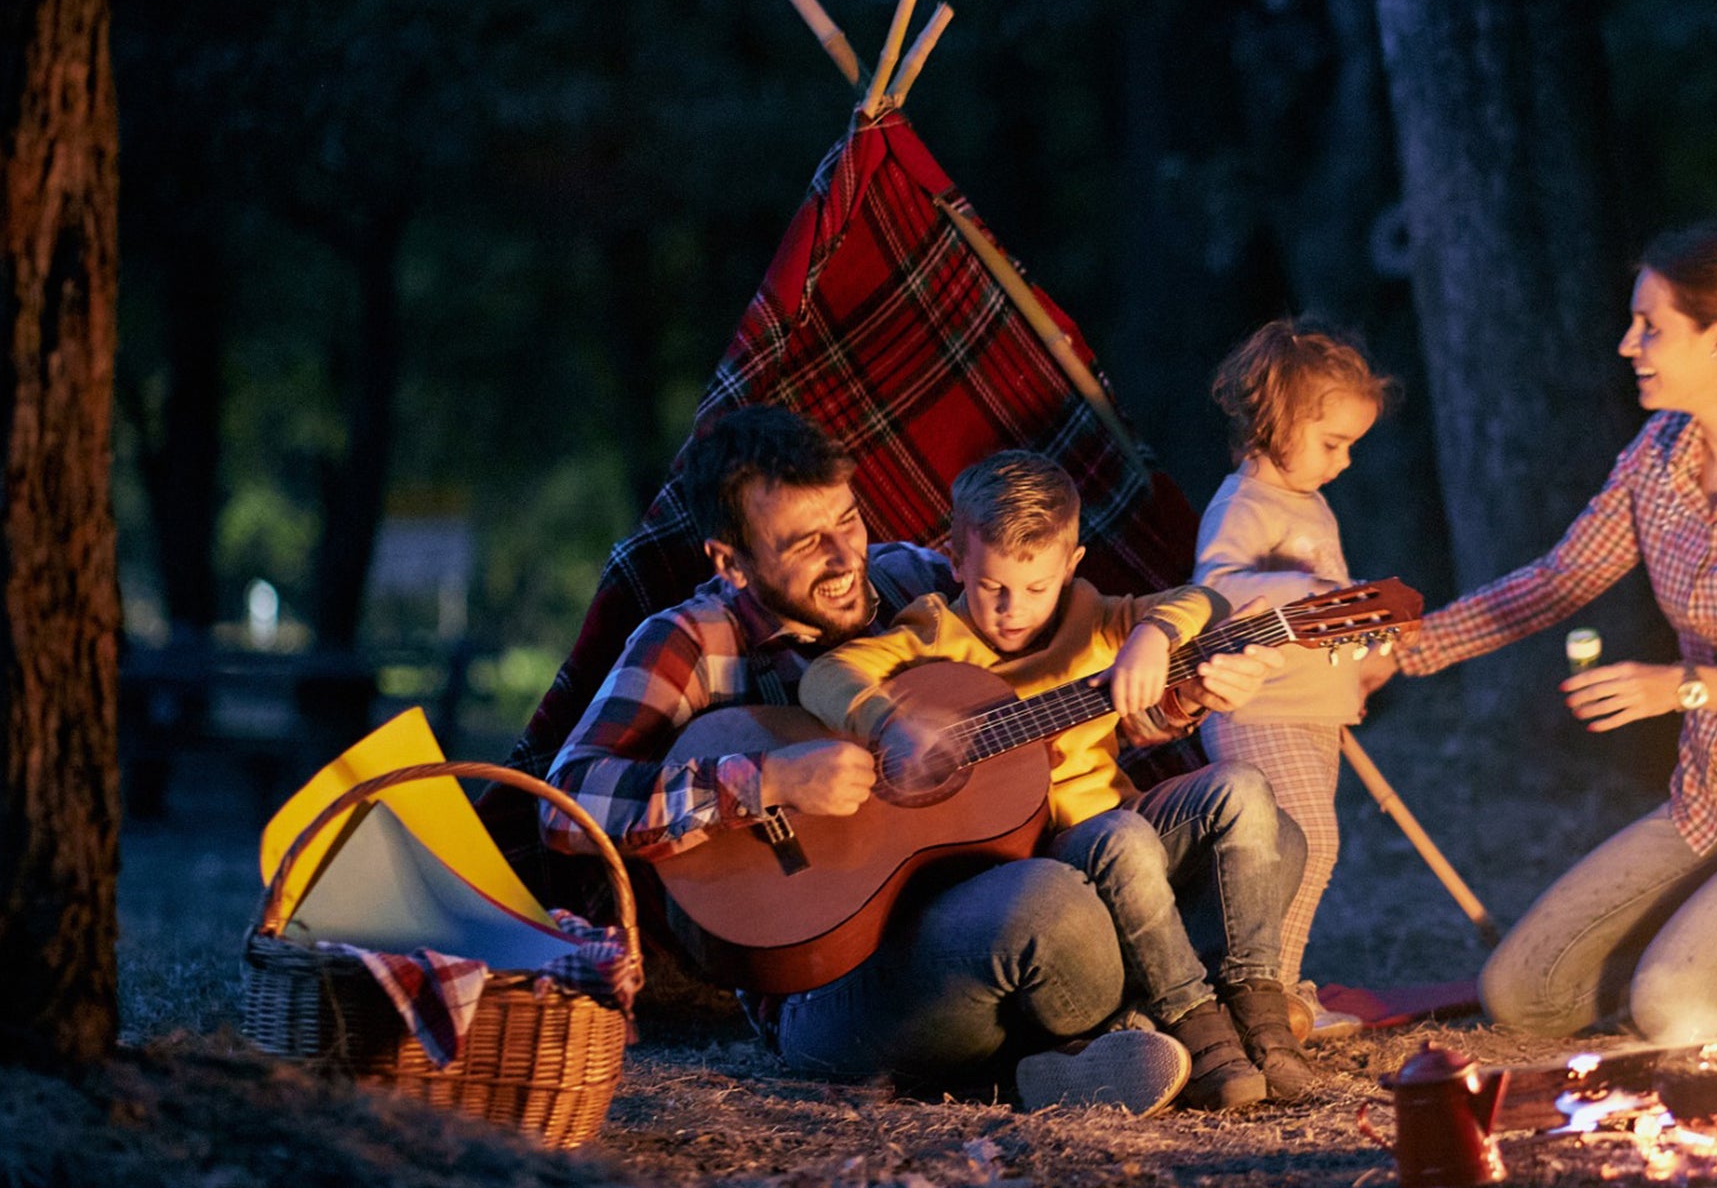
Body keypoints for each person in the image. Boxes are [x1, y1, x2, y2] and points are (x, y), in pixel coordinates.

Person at [540, 406, 1276, 1116]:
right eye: (804, 542)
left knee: (1245, 833)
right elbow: (566, 802)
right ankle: (1107, 1036)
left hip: (996, 882)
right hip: (837, 981)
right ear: (731, 561)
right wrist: (770, 780)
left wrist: (1179, 695)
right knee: (1051, 906)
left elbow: (1053, 714)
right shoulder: (691, 642)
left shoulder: (917, 579)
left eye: (847, 520)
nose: (843, 558)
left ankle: (1080, 1050)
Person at [1386, 227, 1717, 1047]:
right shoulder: (1659, 454)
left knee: (1673, 1005)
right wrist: (1401, 650)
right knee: (1522, 992)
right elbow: (1559, 577)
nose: (1626, 344)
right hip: (1712, 796)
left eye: (1650, 326)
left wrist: (1682, 686)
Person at [801, 450, 1316, 1109]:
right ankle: (1193, 1020)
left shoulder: (1096, 619)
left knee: (1243, 788)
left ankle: (1258, 1007)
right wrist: (890, 721)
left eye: (1037, 587)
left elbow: (1205, 599)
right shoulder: (930, 635)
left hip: (1124, 839)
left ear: (1071, 565)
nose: (1013, 608)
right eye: (992, 586)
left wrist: (1153, 637)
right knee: (1124, 836)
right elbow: (825, 675)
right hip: (1049, 862)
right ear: (955, 559)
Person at [1189, 319, 1398, 1040]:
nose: (1344, 460)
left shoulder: (1306, 502)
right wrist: (1304, 592)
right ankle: (1264, 993)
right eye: (1332, 442)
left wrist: (1362, 655)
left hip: (1309, 712)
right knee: (1304, 842)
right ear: (1276, 420)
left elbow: (1322, 614)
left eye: (1351, 445)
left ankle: (1273, 989)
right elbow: (1216, 591)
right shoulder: (1242, 505)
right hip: (1259, 709)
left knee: (1301, 848)